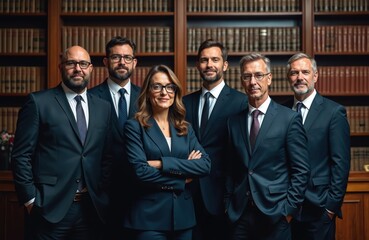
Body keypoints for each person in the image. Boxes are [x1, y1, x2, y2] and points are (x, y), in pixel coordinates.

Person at [11, 45, 112, 239]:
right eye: (71, 63)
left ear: (91, 68)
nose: (77, 69)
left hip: (90, 209)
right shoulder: (39, 102)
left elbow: (106, 156)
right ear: (61, 67)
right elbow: (21, 155)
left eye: (83, 63)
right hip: (49, 208)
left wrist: (103, 193)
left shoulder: (103, 108)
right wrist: (31, 200)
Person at [224, 53, 310, 240]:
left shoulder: (289, 119)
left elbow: (301, 170)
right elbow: (231, 169)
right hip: (240, 215)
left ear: (269, 78)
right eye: (247, 76)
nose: (253, 81)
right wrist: (228, 204)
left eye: (258, 75)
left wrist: (288, 211)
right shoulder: (233, 122)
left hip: (276, 215)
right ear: (242, 81)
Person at [123, 64, 211, 240]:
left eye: (169, 87)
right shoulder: (134, 127)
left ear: (175, 92)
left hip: (183, 219)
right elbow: (141, 172)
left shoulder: (185, 128)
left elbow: (204, 165)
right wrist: (183, 177)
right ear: (148, 91)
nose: (164, 92)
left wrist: (162, 163)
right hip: (149, 219)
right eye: (157, 86)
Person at [183, 39, 248, 240]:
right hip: (188, 195)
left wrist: (232, 198)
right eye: (204, 60)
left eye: (215, 59)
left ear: (225, 65)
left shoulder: (241, 102)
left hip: (224, 199)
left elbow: (243, 152)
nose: (209, 64)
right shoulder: (184, 103)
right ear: (197, 65)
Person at [285, 53, 351, 240]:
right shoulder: (280, 110)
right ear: (288, 77)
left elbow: (341, 164)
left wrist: (331, 207)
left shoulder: (333, 112)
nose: (299, 77)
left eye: (305, 72)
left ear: (315, 76)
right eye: (294, 72)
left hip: (318, 208)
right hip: (286, 206)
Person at [88, 36, 140, 239]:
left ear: (134, 62)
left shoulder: (146, 98)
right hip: (100, 192)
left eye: (127, 57)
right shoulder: (89, 97)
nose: (122, 62)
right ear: (105, 61)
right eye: (116, 57)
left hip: (139, 192)